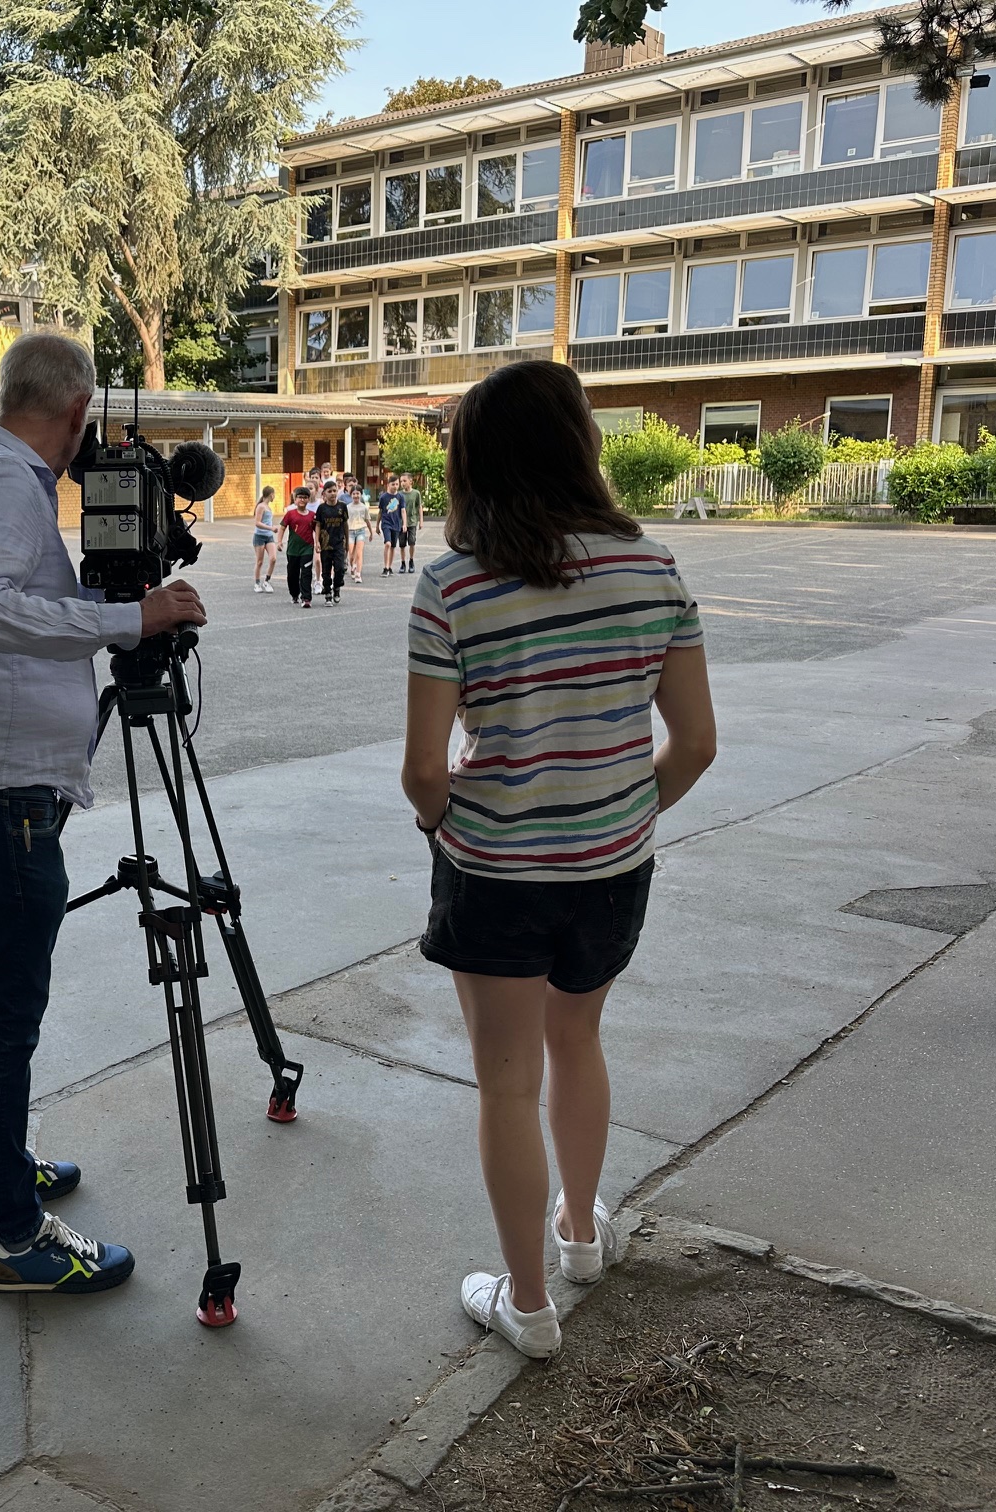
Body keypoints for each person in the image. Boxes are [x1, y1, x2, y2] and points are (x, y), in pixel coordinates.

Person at [400, 360, 716, 1361]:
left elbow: (421, 771)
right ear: (581, 444)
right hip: (614, 868)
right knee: (579, 1042)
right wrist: (616, 812)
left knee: (506, 1084)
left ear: (474, 460)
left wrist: (444, 816)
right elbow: (696, 743)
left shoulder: (453, 583)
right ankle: (582, 1235)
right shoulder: (653, 567)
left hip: (495, 870)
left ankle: (527, 1309)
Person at [0, 332, 206, 1296]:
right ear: (77, 410)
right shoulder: (5, 482)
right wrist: (132, 619)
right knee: (4, 1014)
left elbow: (16, 603)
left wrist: (98, 597)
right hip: (1, 794)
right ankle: (14, 1235)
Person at [312, 479, 350, 606]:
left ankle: (337, 587)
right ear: (324, 494)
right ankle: (328, 592)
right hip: (325, 544)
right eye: (330, 491)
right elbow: (318, 525)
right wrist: (317, 541)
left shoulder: (342, 507)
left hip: (339, 543)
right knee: (326, 570)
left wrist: (347, 541)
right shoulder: (321, 508)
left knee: (339, 568)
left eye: (335, 491)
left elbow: (345, 524)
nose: (333, 493)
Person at [278, 485, 317, 607]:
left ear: (308, 500)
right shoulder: (290, 514)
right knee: (292, 574)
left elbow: (318, 530)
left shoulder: (312, 515)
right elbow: (282, 528)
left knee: (306, 573)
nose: (302, 500)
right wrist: (279, 541)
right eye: (300, 497)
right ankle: (295, 594)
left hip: (307, 548)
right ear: (295, 499)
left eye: (305, 498)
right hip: (293, 550)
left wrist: (319, 544)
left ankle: (306, 598)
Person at [251, 485, 278, 593]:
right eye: (274, 494)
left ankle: (267, 581)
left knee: (273, 558)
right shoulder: (261, 506)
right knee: (260, 561)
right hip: (259, 536)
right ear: (271, 494)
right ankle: (257, 583)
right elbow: (257, 523)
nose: (274, 497)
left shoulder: (268, 507)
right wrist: (271, 528)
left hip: (269, 536)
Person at [344, 479, 371, 585]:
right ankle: (352, 565)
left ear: (361, 494)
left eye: (358, 493)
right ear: (351, 495)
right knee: (351, 554)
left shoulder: (364, 507)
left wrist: (371, 532)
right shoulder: (347, 507)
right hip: (350, 531)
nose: (356, 496)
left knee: (359, 553)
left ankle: (358, 573)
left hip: (360, 531)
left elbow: (367, 520)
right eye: (354, 494)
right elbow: (345, 521)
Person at [378, 474, 404, 575]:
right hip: (386, 523)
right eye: (393, 484)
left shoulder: (400, 497)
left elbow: (403, 511)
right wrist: (377, 525)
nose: (395, 486)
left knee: (393, 546)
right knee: (387, 544)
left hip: (396, 524)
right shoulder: (383, 497)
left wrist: (404, 524)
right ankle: (385, 567)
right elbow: (380, 512)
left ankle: (390, 566)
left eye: (397, 484)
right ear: (388, 485)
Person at [399, 472, 424, 573]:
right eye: (401, 481)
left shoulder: (416, 493)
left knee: (412, 542)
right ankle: (403, 562)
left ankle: (411, 560)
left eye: (404, 481)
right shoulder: (399, 494)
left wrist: (421, 521)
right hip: (401, 522)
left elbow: (419, 507)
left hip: (413, 521)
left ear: (410, 481)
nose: (402, 483)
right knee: (402, 544)